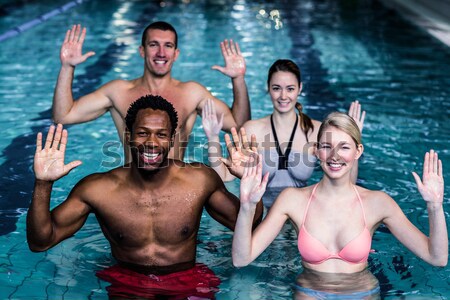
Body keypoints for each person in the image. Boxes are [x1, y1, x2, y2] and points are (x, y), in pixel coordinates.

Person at [27, 95, 263, 299]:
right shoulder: (97, 189)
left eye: (161, 134)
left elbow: (247, 223)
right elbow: (41, 242)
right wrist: (43, 184)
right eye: (143, 133)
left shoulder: (199, 180)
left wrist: (249, 180)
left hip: (187, 278)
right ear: (129, 136)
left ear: (172, 139)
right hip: (128, 282)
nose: (151, 143)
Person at [232, 112, 447, 297]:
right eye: (327, 146)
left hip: (361, 293)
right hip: (310, 294)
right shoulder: (293, 200)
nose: (335, 156)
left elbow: (437, 258)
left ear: (358, 151)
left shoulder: (378, 203)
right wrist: (247, 206)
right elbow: (242, 259)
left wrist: (435, 207)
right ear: (316, 151)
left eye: (344, 147)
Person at [52, 21, 250, 162]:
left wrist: (238, 79)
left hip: (175, 188)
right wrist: (67, 67)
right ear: (142, 50)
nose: (161, 53)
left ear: (176, 54)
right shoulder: (118, 91)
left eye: (168, 46)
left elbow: (238, 124)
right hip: (132, 186)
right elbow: (63, 116)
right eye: (154, 45)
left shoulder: (192, 93)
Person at [202, 59, 365, 208]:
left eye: (290, 89)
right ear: (268, 89)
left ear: (300, 88)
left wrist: (353, 138)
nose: (283, 96)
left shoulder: (317, 131)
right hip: (262, 212)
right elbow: (224, 178)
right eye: (276, 88)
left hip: (302, 212)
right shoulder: (253, 130)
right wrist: (213, 137)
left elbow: (346, 185)